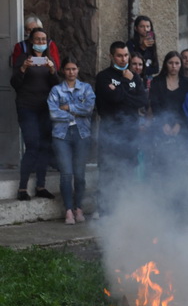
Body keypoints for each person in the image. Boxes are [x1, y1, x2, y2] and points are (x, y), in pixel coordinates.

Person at [94, 41, 150, 214]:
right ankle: (105, 211)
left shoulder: (135, 77)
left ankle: (125, 210)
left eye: (126, 55)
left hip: (130, 134)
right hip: (110, 133)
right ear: (111, 57)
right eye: (119, 55)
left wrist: (121, 93)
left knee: (128, 172)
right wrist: (125, 86)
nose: (123, 59)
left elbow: (142, 101)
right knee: (108, 173)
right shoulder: (103, 77)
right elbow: (114, 100)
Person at [11, 28, 58, 201]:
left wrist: (53, 70)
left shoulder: (49, 60)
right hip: (27, 107)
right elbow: (14, 83)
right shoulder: (24, 58)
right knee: (33, 145)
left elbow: (57, 84)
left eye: (43, 39)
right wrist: (23, 68)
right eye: (37, 39)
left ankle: (41, 186)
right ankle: (22, 188)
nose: (40, 42)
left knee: (45, 145)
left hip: (45, 108)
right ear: (31, 41)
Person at [47, 57, 95, 223]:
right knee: (66, 174)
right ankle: (68, 210)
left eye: (74, 69)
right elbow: (53, 113)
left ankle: (79, 208)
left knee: (80, 174)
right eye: (68, 69)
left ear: (78, 70)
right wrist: (75, 113)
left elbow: (89, 109)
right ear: (63, 71)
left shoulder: (86, 88)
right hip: (62, 135)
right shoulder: (56, 90)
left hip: (81, 134)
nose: (71, 72)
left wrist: (68, 108)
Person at [149, 51, 188, 169]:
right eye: (170, 63)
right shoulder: (157, 81)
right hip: (161, 126)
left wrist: (179, 124)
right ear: (165, 64)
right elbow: (154, 103)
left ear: (181, 65)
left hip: (183, 128)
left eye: (177, 63)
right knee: (162, 162)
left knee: (180, 163)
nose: (174, 66)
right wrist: (163, 123)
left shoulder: (187, 83)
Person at [126, 15, 159, 80]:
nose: (145, 29)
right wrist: (142, 48)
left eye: (148, 26)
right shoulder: (130, 43)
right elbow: (130, 64)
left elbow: (156, 69)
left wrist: (144, 71)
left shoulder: (151, 45)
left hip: (148, 79)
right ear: (136, 28)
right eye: (142, 26)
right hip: (133, 78)